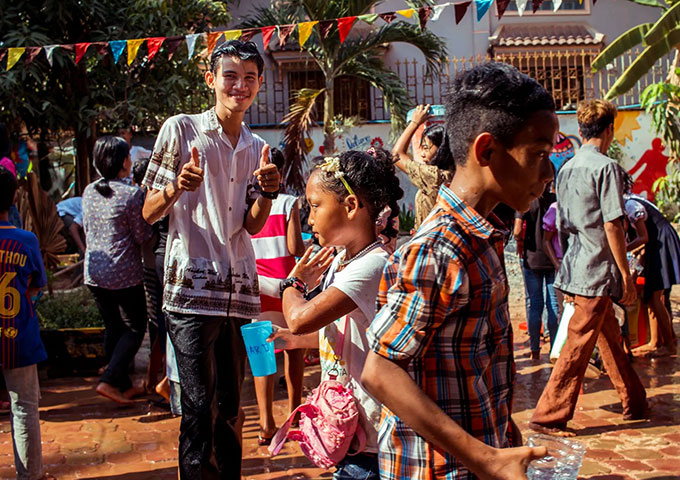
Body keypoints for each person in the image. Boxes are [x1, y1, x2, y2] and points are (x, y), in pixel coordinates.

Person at [361, 62, 556, 479]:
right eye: (538, 154)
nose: (548, 172)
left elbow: (478, 367)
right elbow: (380, 371)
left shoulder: (484, 237)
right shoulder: (441, 248)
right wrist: (485, 458)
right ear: (487, 151)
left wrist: (503, 441)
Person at [141, 40, 279, 478]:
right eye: (231, 76)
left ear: (259, 84)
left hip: (238, 292)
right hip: (190, 294)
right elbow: (148, 211)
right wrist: (176, 186)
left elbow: (252, 225)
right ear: (211, 80)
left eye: (250, 78)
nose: (240, 86)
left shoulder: (257, 144)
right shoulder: (181, 130)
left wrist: (269, 193)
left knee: (229, 410)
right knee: (198, 410)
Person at [270, 148, 403, 479]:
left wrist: (293, 284)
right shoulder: (343, 261)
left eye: (315, 206)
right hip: (352, 430)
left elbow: (299, 318)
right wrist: (293, 342)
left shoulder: (372, 265)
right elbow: (347, 331)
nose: (310, 219)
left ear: (350, 206)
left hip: (373, 437)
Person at [530, 99, 647, 436]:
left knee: (609, 338)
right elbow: (613, 223)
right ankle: (549, 416)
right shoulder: (606, 167)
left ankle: (635, 402)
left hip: (575, 263)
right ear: (608, 130)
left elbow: (563, 223)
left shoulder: (565, 168)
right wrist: (625, 274)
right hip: (597, 268)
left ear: (581, 130)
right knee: (577, 346)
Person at [83, 136, 153, 405]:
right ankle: (110, 379)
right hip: (123, 273)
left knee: (113, 325)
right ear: (124, 161)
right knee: (136, 326)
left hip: (95, 271)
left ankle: (121, 384)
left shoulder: (89, 191)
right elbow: (142, 234)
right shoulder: (131, 194)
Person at [0, 166, 54, 480]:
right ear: (15, 198)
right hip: (17, 336)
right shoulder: (26, 240)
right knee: (24, 408)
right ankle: (30, 475)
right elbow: (35, 285)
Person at [251, 147, 306, 445]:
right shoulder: (287, 203)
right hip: (285, 287)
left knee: (261, 354)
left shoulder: (247, 204)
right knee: (293, 347)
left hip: (256, 287)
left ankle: (265, 423)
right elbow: (295, 246)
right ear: (280, 173)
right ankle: (294, 414)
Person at [622, 173, 680, 356]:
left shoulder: (630, 205)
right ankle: (659, 341)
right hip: (659, 244)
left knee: (656, 298)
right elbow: (643, 246)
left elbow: (643, 238)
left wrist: (623, 249)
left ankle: (668, 346)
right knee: (651, 297)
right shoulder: (632, 201)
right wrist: (635, 270)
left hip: (661, 244)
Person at [513, 184, 559, 360]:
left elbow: (517, 230)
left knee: (534, 304)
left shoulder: (526, 201)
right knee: (553, 305)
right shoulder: (555, 201)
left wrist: (521, 242)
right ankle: (554, 349)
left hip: (531, 259)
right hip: (553, 258)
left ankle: (534, 350)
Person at [391, 104, 455, 229]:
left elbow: (396, 155)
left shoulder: (433, 176)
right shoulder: (454, 173)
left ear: (442, 148)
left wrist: (415, 122)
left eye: (426, 148)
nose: (422, 153)